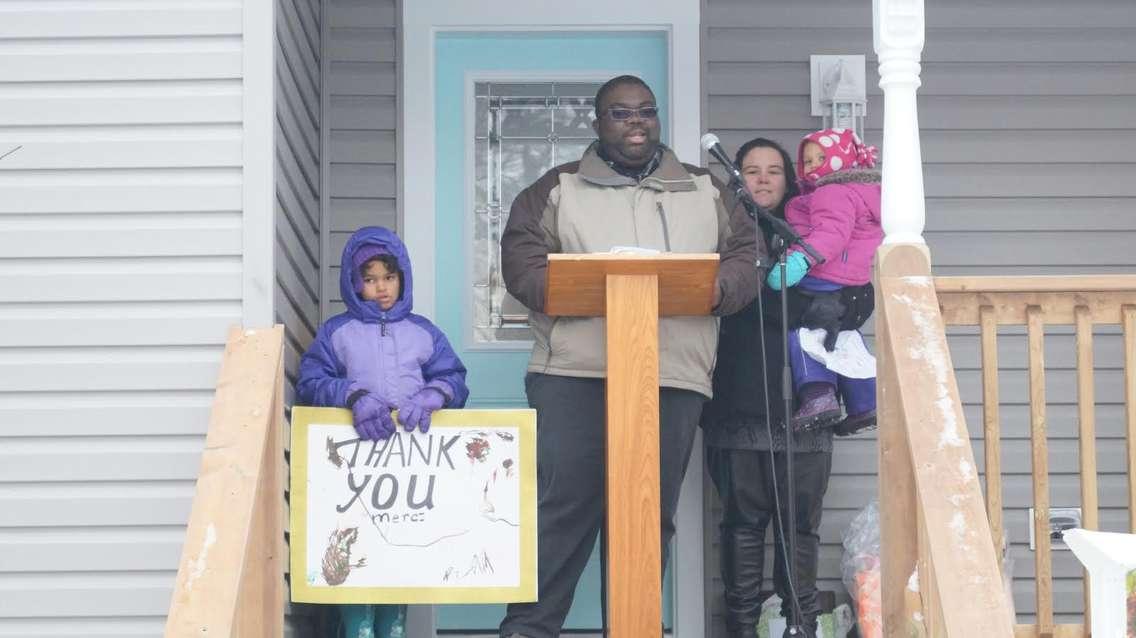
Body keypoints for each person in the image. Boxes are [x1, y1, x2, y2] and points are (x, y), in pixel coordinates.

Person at [497, 75, 762, 638]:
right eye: (620, 113)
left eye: (645, 111)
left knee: (645, 515)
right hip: (574, 371)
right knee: (564, 511)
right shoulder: (556, 188)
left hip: (672, 374)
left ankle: (634, 628)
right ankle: (528, 630)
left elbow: (745, 254)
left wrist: (717, 289)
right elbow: (522, 258)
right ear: (598, 123)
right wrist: (568, 290)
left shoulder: (705, 189)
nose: (635, 122)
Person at [701, 136, 872, 638]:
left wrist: (838, 309)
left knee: (799, 527)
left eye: (773, 170)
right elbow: (725, 298)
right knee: (742, 524)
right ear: (737, 179)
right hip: (740, 398)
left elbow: (859, 296)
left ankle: (797, 625)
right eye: (751, 170)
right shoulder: (725, 233)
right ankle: (740, 626)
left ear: (790, 179)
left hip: (806, 401)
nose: (761, 179)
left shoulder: (816, 230)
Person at [296, 225, 470, 638]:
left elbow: (455, 378)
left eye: (388, 277)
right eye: (370, 279)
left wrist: (435, 395)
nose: (381, 288)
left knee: (399, 557)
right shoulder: (337, 333)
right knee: (357, 557)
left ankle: (393, 628)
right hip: (354, 471)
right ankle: (357, 629)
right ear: (354, 284)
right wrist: (354, 396)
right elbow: (310, 381)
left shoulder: (423, 332)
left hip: (410, 469)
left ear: (402, 278)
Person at [767, 128, 881, 434]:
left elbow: (831, 234)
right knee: (844, 336)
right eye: (808, 160)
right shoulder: (862, 193)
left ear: (843, 161)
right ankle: (864, 402)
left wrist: (798, 260)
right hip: (850, 280)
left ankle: (819, 396)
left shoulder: (832, 192)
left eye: (822, 158)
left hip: (824, 273)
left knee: (802, 334)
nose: (814, 165)